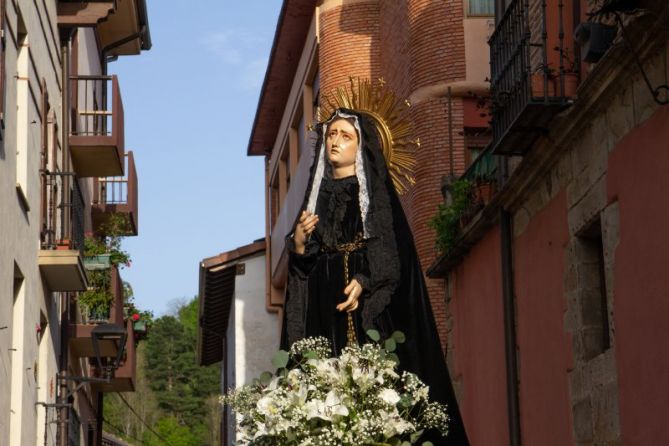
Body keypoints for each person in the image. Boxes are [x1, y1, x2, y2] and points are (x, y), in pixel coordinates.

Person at [281, 108, 469, 444]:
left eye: (345, 136)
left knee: (370, 391)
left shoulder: (376, 201)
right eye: (331, 134)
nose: (335, 141)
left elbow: (392, 261)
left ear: (362, 147)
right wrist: (297, 245)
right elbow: (301, 273)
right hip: (321, 313)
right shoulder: (315, 200)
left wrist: (366, 281)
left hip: (365, 314)